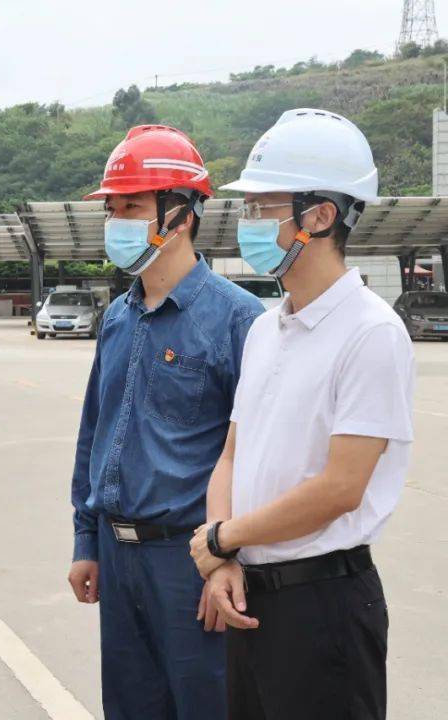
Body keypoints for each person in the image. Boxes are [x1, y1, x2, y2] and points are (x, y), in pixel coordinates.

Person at [190, 108, 414, 720]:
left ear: (319, 216)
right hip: (248, 592)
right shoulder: (267, 329)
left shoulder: (371, 333)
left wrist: (220, 538)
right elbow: (232, 455)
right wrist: (224, 560)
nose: (248, 221)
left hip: (326, 606)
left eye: (263, 206)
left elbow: (341, 488)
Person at [67, 125, 264, 719]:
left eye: (132, 206)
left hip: (189, 561)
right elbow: (94, 432)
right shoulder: (117, 319)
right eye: (113, 208)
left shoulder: (238, 319)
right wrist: (86, 538)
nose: (117, 220)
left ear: (179, 216)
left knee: (205, 707)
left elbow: (254, 454)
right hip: (116, 555)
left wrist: (227, 557)